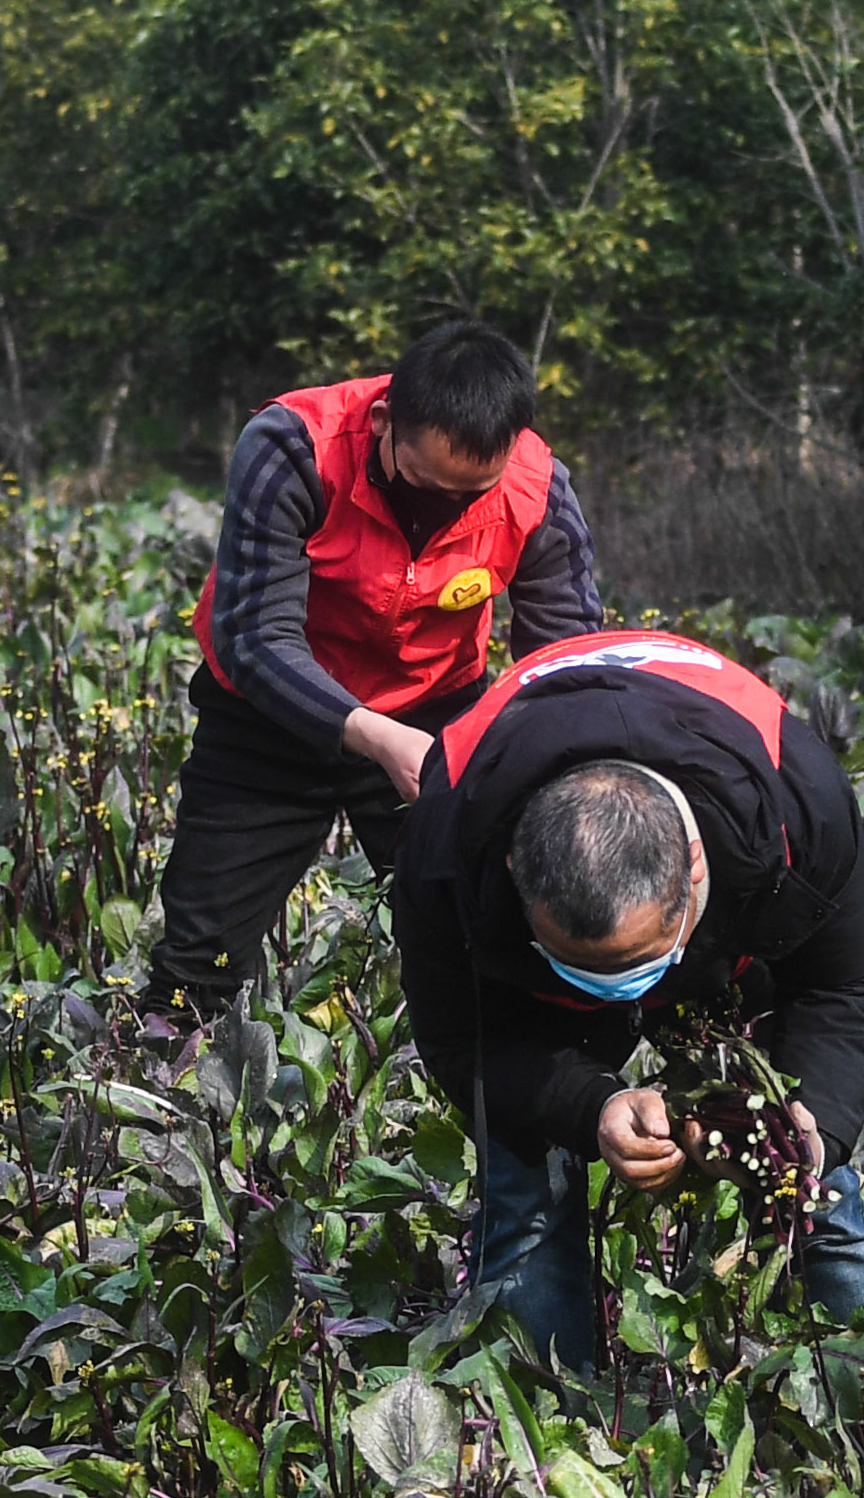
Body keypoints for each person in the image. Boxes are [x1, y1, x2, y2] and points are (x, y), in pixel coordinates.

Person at [396, 626, 864, 1361]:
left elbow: (839, 985)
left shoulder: (799, 805)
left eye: (642, 958)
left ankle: (863, 1372)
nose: (625, 990)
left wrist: (812, 1131)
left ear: (693, 867)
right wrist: (590, 1105)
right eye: (586, 966)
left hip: (734, 924)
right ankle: (547, 1420)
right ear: (511, 870)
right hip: (523, 980)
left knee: (805, 1171)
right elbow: (462, 1039)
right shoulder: (446, 846)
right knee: (526, 1198)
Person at [138, 318, 602, 1027]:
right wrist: (374, 736)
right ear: (384, 421)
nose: (446, 511)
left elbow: (564, 661)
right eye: (424, 486)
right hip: (268, 713)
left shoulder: (537, 488)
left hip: (433, 710)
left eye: (469, 495)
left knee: (480, 933)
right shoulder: (293, 447)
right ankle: (156, 1102)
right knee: (199, 961)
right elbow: (254, 637)